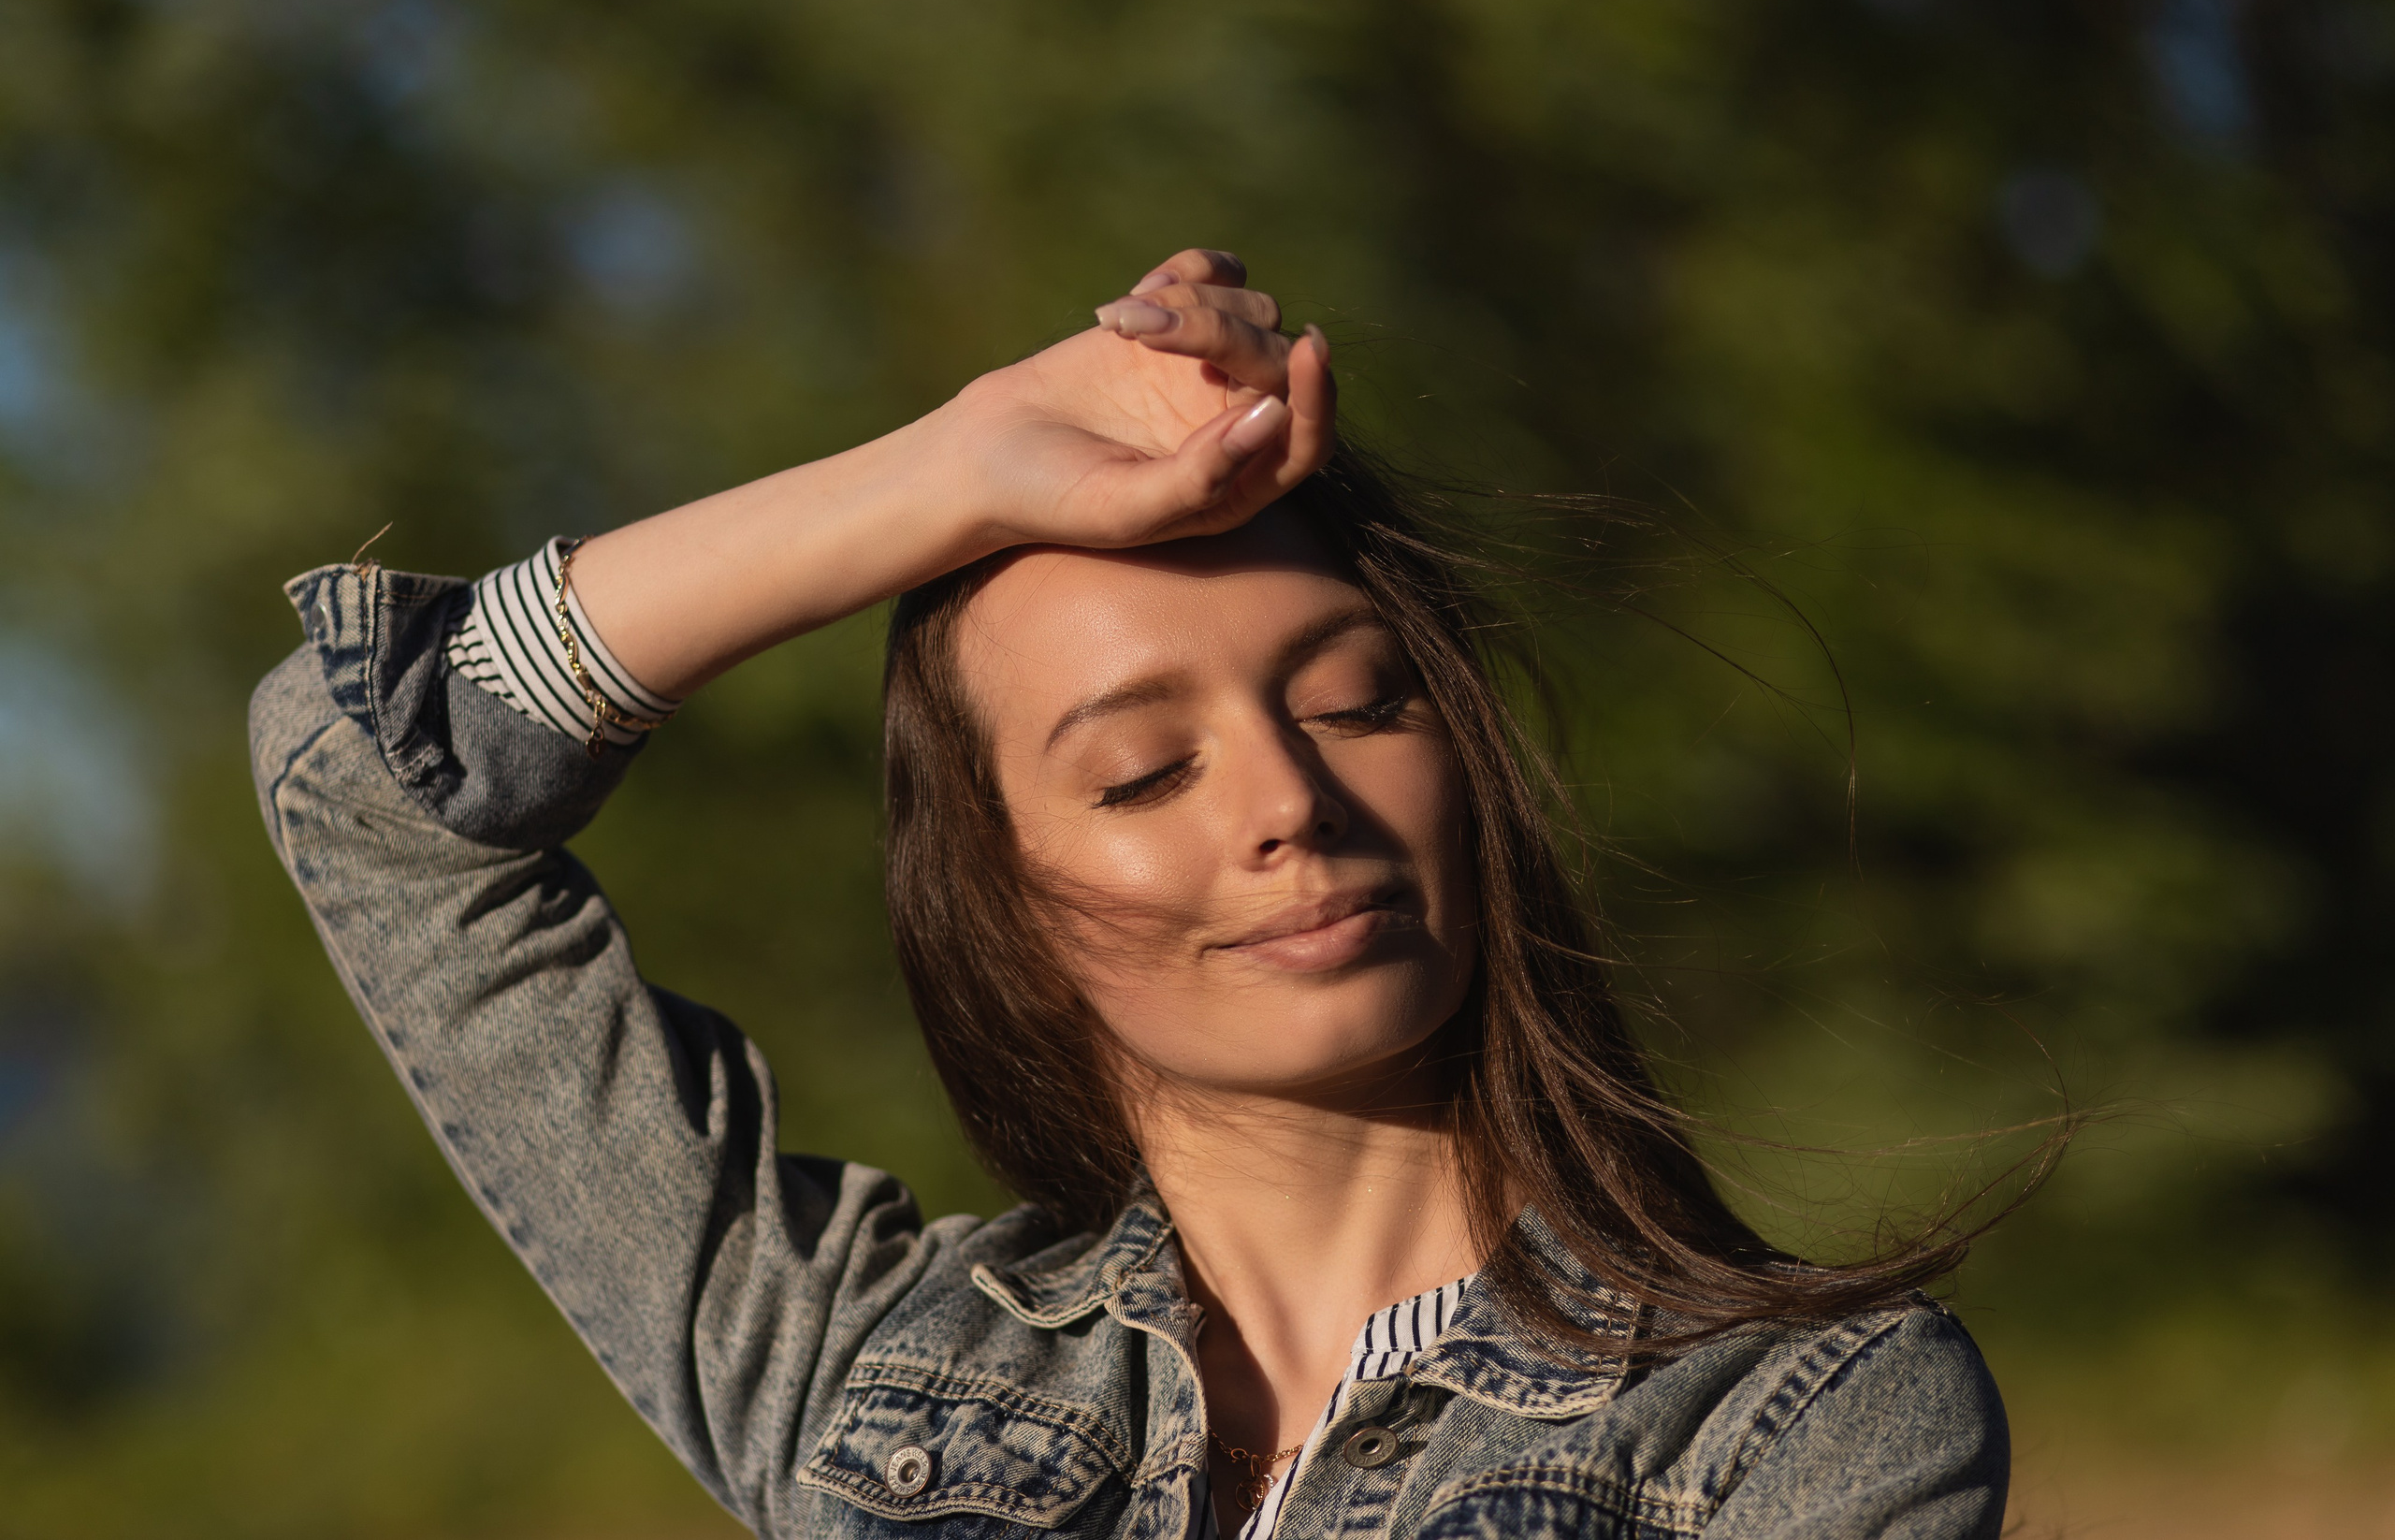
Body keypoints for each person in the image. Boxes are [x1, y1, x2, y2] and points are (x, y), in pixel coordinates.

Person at [250, 250, 2008, 1539]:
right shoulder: (869, 1374)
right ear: (994, 899)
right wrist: (944, 472)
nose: (1290, 803)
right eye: (1142, 771)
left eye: (1356, 702)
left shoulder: (1804, 1425)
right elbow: (368, 779)